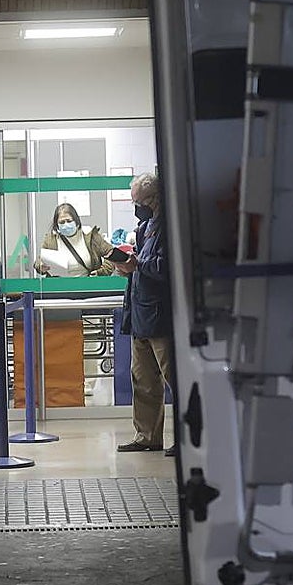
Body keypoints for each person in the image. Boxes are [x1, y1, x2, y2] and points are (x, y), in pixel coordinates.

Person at [114, 172, 175, 457]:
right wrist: (129, 264)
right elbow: (144, 262)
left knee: (174, 377)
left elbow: (165, 267)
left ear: (153, 198)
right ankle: (147, 435)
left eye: (139, 201)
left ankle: (191, 437)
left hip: (161, 316)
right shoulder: (146, 226)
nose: (136, 206)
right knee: (143, 381)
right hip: (141, 313)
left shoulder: (170, 226)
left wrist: (138, 263)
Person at [34, 202, 116, 277]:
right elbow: (39, 262)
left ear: (76, 221)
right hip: (60, 287)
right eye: (62, 222)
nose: (66, 225)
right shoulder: (51, 239)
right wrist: (41, 267)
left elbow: (112, 254)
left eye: (69, 221)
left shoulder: (90, 235)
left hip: (88, 287)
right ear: (57, 225)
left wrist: (101, 272)